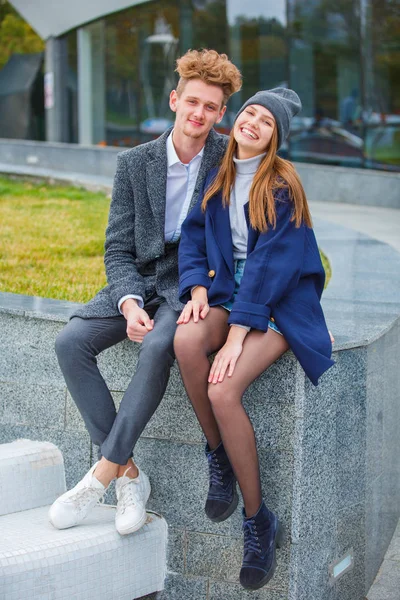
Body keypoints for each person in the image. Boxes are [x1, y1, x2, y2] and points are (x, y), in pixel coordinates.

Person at [48, 49, 242, 535]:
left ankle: (99, 476)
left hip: (194, 286)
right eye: (192, 102)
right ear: (175, 100)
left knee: (160, 344)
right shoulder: (135, 162)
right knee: (70, 342)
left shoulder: (229, 162)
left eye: (211, 107)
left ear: (221, 115)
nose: (199, 114)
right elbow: (116, 247)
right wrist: (129, 301)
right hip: (141, 280)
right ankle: (129, 473)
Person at [174, 88, 334, 591]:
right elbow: (193, 235)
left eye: (267, 122)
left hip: (281, 300)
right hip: (229, 290)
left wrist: (237, 337)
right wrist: (198, 286)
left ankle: (258, 518)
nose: (254, 123)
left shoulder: (283, 183)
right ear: (237, 120)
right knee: (184, 341)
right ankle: (217, 452)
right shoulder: (220, 174)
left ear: (274, 139)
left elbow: (270, 266)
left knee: (224, 389)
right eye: (251, 113)